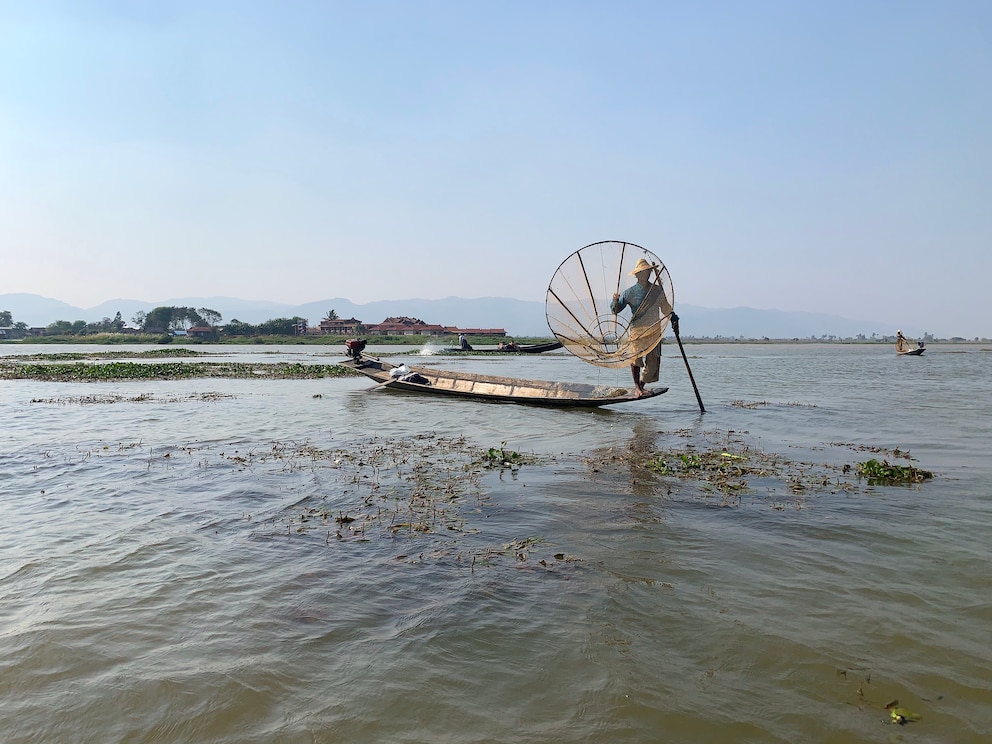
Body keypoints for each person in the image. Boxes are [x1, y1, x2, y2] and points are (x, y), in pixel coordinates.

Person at [611, 258, 672, 397]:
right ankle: (637, 387)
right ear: (637, 275)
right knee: (636, 359)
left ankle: (642, 386)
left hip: (654, 330)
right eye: (642, 272)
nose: (646, 274)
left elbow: (665, 308)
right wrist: (614, 301)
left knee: (653, 361)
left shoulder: (656, 290)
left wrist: (673, 317)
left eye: (648, 272)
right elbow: (616, 310)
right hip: (637, 330)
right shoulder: (630, 292)